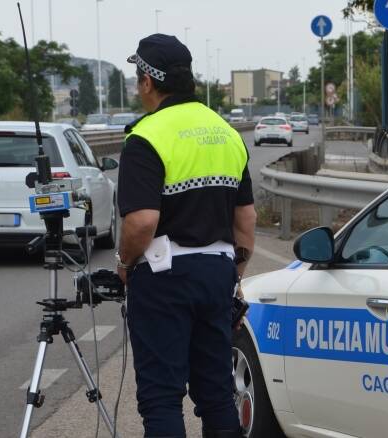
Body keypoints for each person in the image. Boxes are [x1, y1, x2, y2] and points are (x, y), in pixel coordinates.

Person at [116, 34, 257, 438]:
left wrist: (125, 264)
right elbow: (245, 219)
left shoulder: (146, 136)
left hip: (163, 276)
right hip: (218, 274)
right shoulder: (226, 132)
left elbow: (141, 221)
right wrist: (235, 273)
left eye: (136, 76)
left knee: (162, 397)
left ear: (147, 81)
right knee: (215, 391)